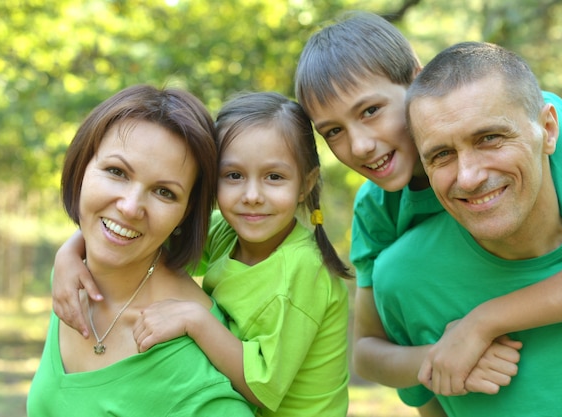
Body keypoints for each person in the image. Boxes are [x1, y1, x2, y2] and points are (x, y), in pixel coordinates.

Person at [294, 10, 562, 402]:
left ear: (417, 81)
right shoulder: (377, 209)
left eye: (370, 111)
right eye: (333, 132)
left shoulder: (531, 125)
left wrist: (482, 323)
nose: (360, 145)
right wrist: (441, 355)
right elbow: (368, 350)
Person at [51, 92, 351, 416]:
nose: (251, 196)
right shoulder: (228, 232)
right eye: (234, 176)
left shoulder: (303, 270)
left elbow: (263, 388)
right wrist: (70, 252)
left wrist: (196, 320)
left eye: (274, 177)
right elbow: (144, 232)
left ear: (306, 185)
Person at [371, 40, 562, 415]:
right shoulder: (403, 280)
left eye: (489, 138)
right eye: (441, 155)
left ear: (549, 130)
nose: (468, 177)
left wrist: (482, 322)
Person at [26, 85, 254, 416]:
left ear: (186, 214)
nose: (131, 207)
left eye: (164, 192)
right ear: (82, 167)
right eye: (117, 172)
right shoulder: (73, 279)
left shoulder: (191, 367)